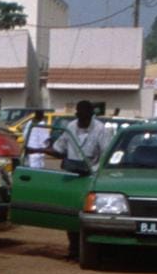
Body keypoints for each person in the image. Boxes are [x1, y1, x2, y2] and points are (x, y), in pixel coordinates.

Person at [46, 101, 112, 259]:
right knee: (71, 216)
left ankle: (89, 250)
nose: (81, 119)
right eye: (79, 115)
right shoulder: (70, 127)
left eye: (85, 116)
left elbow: (105, 155)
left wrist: (94, 171)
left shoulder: (101, 130)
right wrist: (40, 150)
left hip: (91, 178)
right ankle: (73, 250)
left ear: (91, 115)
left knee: (88, 216)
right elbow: (59, 149)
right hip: (72, 177)